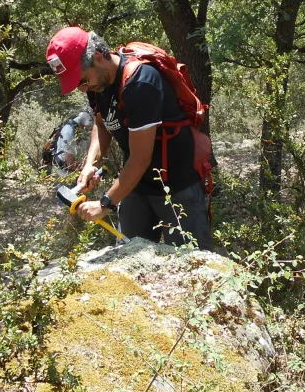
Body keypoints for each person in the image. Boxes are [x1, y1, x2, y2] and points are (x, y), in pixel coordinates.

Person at [46, 26, 213, 251]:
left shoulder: (140, 82)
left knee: (192, 265)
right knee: (128, 255)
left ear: (98, 57)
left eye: (82, 81)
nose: (82, 89)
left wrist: (105, 203)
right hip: (136, 186)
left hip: (176, 187)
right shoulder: (98, 85)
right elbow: (101, 123)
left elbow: (141, 158)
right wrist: (90, 165)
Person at [42, 109, 94, 177]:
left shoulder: (73, 127)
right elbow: (71, 165)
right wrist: (88, 167)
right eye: (88, 127)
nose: (88, 129)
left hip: (64, 170)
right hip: (63, 174)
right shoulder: (69, 132)